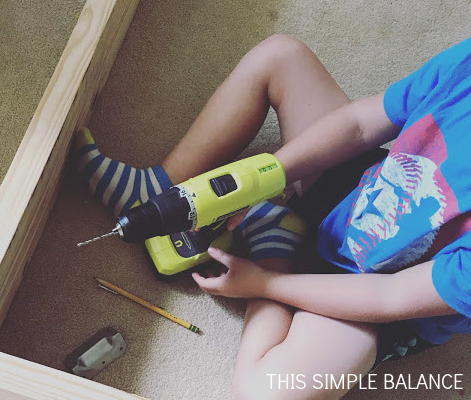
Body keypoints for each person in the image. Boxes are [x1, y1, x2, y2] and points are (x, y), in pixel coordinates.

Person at [75, 34, 471, 400]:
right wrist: (264, 178)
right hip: (366, 191)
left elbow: (391, 298)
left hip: (375, 293)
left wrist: (265, 282)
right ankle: (157, 186)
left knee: (265, 392)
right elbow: (358, 124)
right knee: (280, 57)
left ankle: (274, 242)